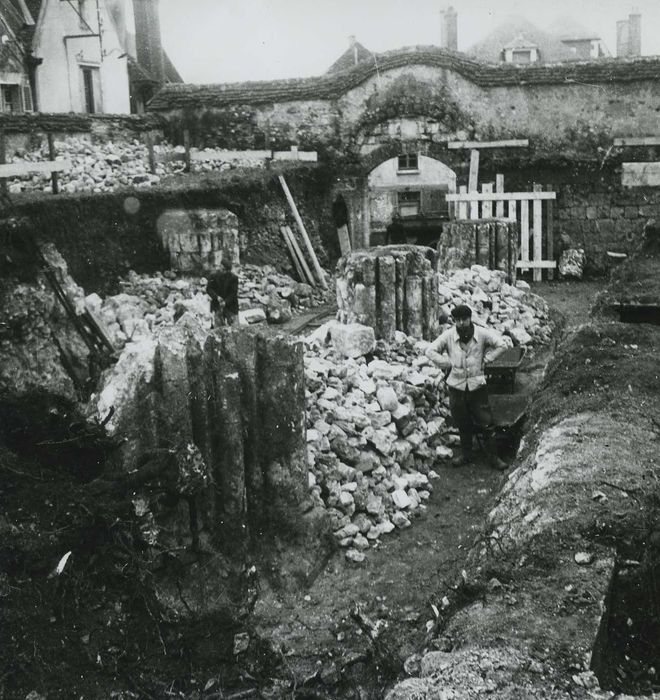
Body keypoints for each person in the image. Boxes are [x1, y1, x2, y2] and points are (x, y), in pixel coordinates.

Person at [425, 304, 508, 471]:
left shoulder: (482, 334)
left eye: (464, 319)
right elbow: (430, 350)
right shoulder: (449, 335)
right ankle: (466, 454)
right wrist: (447, 363)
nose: (461, 323)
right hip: (456, 387)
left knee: (486, 422)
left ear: (470, 319)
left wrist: (487, 359)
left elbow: (502, 345)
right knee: (462, 422)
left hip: (477, 386)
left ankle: (494, 457)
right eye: (458, 320)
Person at [206, 257, 239, 327]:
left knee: (235, 328)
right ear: (220, 267)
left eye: (227, 271)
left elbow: (233, 293)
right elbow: (208, 289)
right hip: (217, 305)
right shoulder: (213, 276)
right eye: (223, 270)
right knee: (218, 329)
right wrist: (217, 297)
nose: (225, 272)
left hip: (231, 306)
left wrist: (226, 301)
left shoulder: (234, 278)